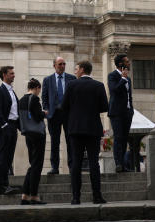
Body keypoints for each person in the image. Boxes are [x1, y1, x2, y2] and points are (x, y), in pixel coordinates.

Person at [59, 60, 108, 205]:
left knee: (76, 163)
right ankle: (97, 196)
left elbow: (64, 106)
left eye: (76, 69)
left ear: (82, 70)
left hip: (76, 129)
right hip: (93, 128)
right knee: (94, 163)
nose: (75, 71)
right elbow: (104, 107)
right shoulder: (98, 86)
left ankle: (76, 197)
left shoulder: (71, 85)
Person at [41, 56, 74, 175]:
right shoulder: (48, 80)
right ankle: (55, 167)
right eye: (60, 64)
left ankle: (72, 167)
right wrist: (46, 109)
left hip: (68, 114)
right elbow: (44, 97)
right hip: (53, 115)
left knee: (70, 141)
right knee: (55, 142)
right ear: (54, 65)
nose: (62, 66)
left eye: (64, 64)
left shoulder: (72, 78)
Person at [0, 65, 21, 196]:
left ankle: (6, 184)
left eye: (13, 73)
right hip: (5, 127)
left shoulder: (12, 92)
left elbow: (15, 111)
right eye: (11, 73)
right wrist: (4, 125)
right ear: (4, 75)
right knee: (2, 157)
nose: (13, 75)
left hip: (13, 126)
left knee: (9, 157)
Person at [17, 78, 46, 205]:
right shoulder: (34, 99)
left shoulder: (21, 100)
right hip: (38, 134)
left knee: (33, 164)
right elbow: (38, 115)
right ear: (37, 88)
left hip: (27, 133)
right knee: (37, 165)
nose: (39, 92)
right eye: (39, 89)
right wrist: (44, 113)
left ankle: (25, 195)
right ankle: (34, 196)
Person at [107, 53, 134, 172]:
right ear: (120, 64)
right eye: (127, 61)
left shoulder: (128, 78)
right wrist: (122, 79)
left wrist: (131, 110)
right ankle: (118, 163)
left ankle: (123, 164)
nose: (129, 63)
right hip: (116, 112)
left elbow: (129, 96)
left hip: (127, 112)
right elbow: (114, 91)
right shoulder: (112, 76)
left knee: (124, 138)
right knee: (118, 137)